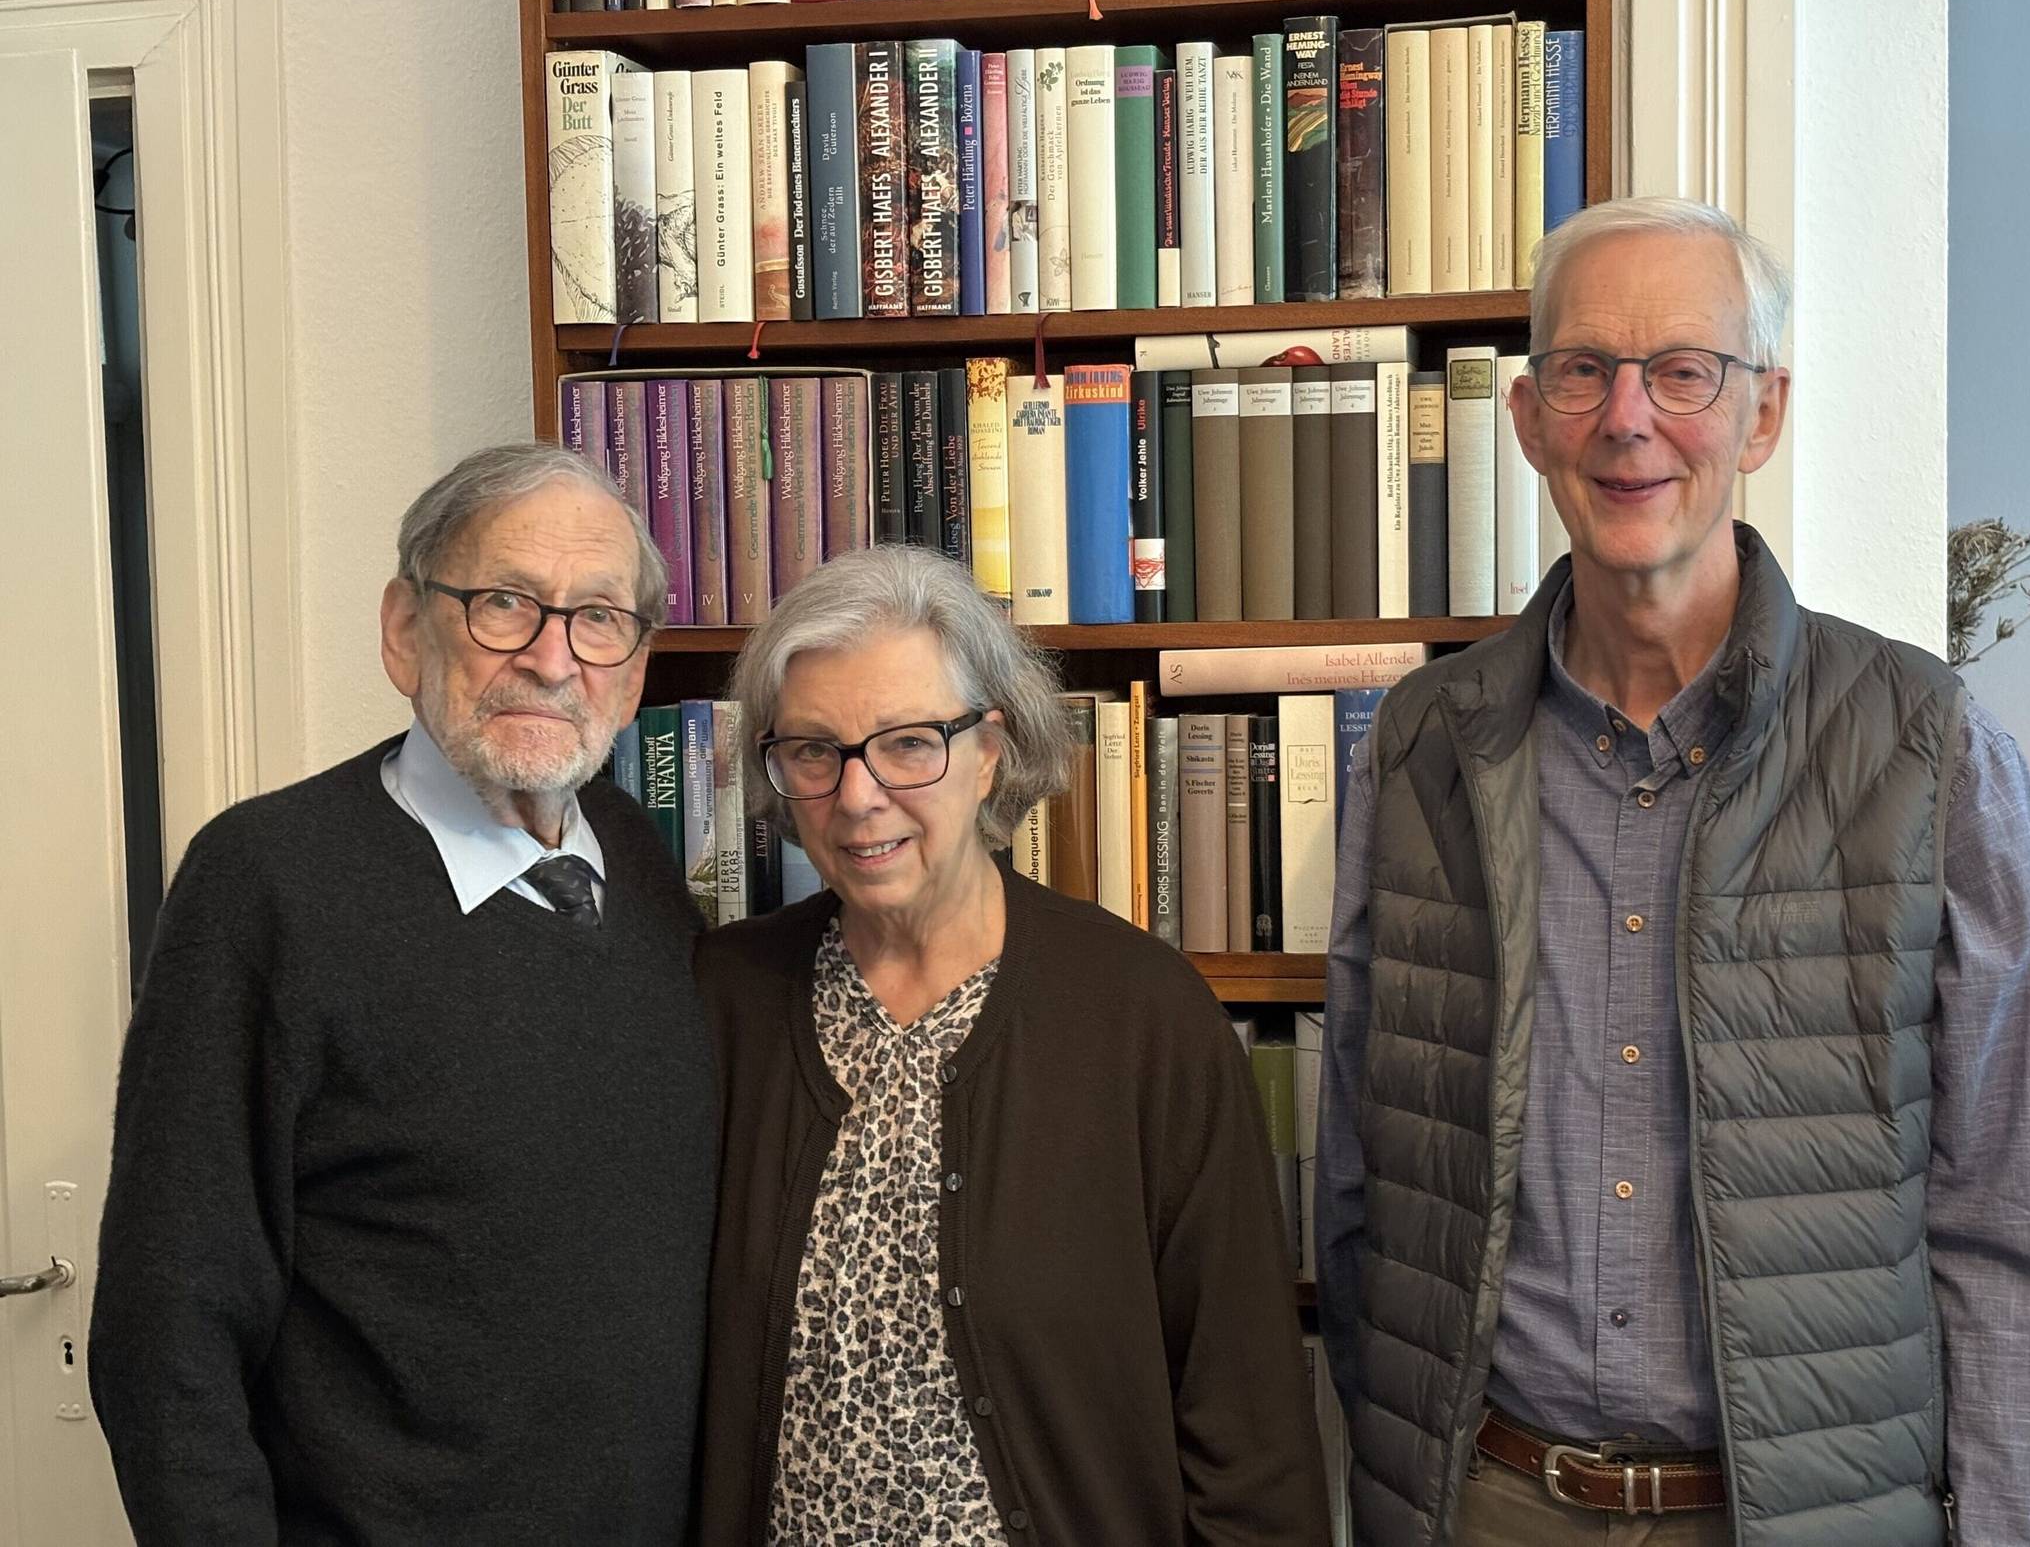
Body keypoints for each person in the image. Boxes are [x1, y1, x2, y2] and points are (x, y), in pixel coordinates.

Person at [1316, 197, 2030, 1546]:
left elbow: (2016, 1219)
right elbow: (1362, 1177)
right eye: (1583, 369)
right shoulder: (1421, 745)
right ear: (1528, 417)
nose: (1630, 417)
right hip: (1489, 1502)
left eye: (1685, 371)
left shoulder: (1928, 745)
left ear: (1763, 415)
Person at [90, 444, 718, 1544]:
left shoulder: (643, 869)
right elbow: (166, 1329)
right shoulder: (268, 883)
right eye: (504, 605)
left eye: (597, 619)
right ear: (403, 628)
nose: (551, 659)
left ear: (637, 666)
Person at [697, 544, 1328, 1544]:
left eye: (907, 744)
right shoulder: (723, 1003)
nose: (858, 797)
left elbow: (1245, 1414)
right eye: (814, 751)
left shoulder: (1142, 1017)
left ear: (991, 749)